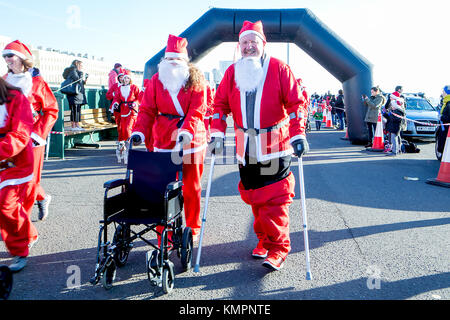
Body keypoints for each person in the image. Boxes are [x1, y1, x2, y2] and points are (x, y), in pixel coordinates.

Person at [208, 21, 309, 271]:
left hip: (275, 147)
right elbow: (219, 106)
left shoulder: (279, 68)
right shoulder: (232, 72)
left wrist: (298, 135)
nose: (248, 47)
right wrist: (217, 134)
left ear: (263, 44)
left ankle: (278, 248)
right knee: (255, 198)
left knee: (274, 199)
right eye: (244, 42)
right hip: (246, 149)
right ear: (239, 46)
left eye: (253, 42)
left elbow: (297, 104)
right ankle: (264, 240)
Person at [130, 35, 207, 241]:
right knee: (162, 186)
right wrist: (139, 131)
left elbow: (197, 111)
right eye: (169, 60)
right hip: (163, 138)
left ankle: (193, 226)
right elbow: (146, 110)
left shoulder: (197, 80)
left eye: (177, 60)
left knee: (191, 186)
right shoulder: (156, 81)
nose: (173, 64)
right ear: (164, 61)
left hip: (191, 141)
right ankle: (165, 231)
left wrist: (187, 131)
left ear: (185, 61)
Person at [3, 40, 59, 222]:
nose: (7, 59)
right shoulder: (5, 80)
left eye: (10, 55)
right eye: (4, 56)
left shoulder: (37, 82)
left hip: (31, 139)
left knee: (27, 181)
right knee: (11, 180)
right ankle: (42, 197)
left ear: (21, 58)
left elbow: (52, 110)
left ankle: (23, 230)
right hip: (9, 139)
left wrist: (38, 134)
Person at [0, 77, 38, 272]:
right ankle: (29, 233)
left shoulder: (16, 97)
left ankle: (20, 250)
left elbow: (21, 134)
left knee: (6, 205)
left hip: (17, 161)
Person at [111, 70, 140, 164]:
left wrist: (135, 103)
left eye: (127, 78)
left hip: (131, 110)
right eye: (124, 78)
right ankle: (126, 150)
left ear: (130, 79)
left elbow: (139, 98)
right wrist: (115, 104)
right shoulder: (120, 88)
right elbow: (117, 98)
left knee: (128, 129)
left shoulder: (134, 87)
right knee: (123, 130)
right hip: (123, 110)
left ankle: (129, 148)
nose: (126, 80)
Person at [62, 60, 88, 131]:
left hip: (77, 94)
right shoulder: (73, 70)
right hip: (73, 94)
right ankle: (73, 126)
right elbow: (77, 80)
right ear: (77, 65)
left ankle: (77, 124)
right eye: (81, 65)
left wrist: (84, 81)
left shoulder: (76, 71)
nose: (82, 67)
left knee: (78, 110)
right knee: (74, 109)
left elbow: (80, 82)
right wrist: (81, 73)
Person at [383, 87, 406, 156]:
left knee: (394, 138)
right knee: (397, 137)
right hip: (394, 125)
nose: (390, 99)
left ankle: (394, 151)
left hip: (395, 126)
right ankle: (398, 150)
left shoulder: (398, 110)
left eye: (391, 98)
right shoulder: (396, 109)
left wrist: (386, 114)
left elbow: (394, 118)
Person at [436, 85, 450, 159]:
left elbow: (448, 117)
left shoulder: (448, 104)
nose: (442, 93)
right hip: (444, 128)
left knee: (445, 145)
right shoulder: (445, 102)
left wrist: (441, 117)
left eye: (443, 92)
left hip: (446, 130)